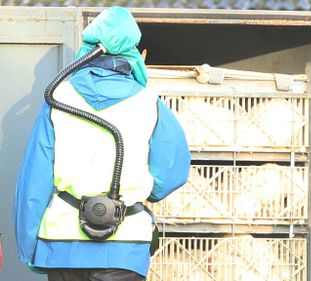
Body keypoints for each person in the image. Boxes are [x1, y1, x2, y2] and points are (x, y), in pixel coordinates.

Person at [13, 7, 191, 281]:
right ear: (130, 51)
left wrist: (29, 249)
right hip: (125, 247)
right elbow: (171, 173)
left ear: (89, 48)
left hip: (62, 247)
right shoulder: (149, 103)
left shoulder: (58, 100)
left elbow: (34, 182)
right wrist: (137, 191)